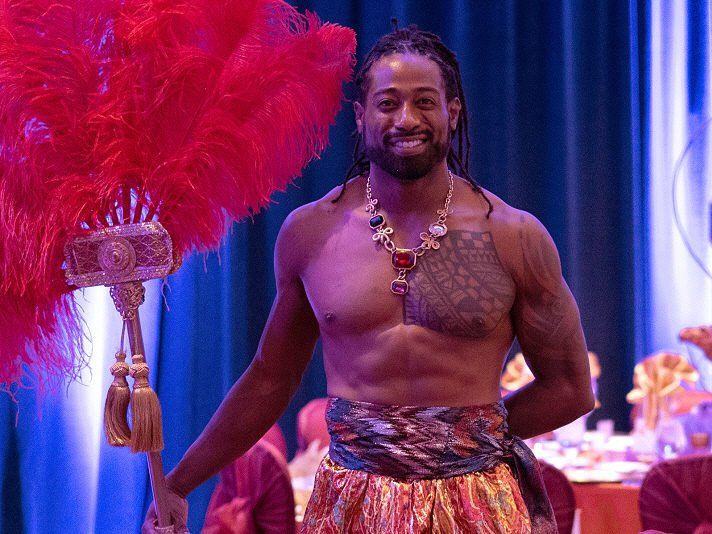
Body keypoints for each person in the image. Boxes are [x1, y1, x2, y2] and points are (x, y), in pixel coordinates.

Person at [145, 25, 593, 533]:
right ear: (361, 117)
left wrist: (462, 436)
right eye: (387, 103)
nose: (407, 119)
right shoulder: (311, 233)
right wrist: (178, 484)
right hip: (351, 504)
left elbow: (571, 389)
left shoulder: (512, 236)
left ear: (454, 111)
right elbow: (270, 379)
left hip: (477, 501)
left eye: (425, 102)